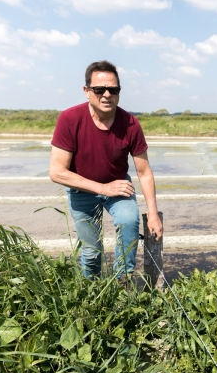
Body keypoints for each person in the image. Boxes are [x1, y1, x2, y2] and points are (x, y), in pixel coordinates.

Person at [49, 60, 163, 281]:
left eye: (113, 89)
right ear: (87, 91)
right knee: (91, 253)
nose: (107, 95)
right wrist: (102, 188)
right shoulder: (70, 119)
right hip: (81, 189)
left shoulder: (130, 123)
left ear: (119, 92)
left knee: (129, 221)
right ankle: (93, 296)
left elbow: (144, 172)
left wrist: (153, 215)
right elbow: (57, 172)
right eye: (99, 89)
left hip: (118, 185)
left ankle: (123, 283)